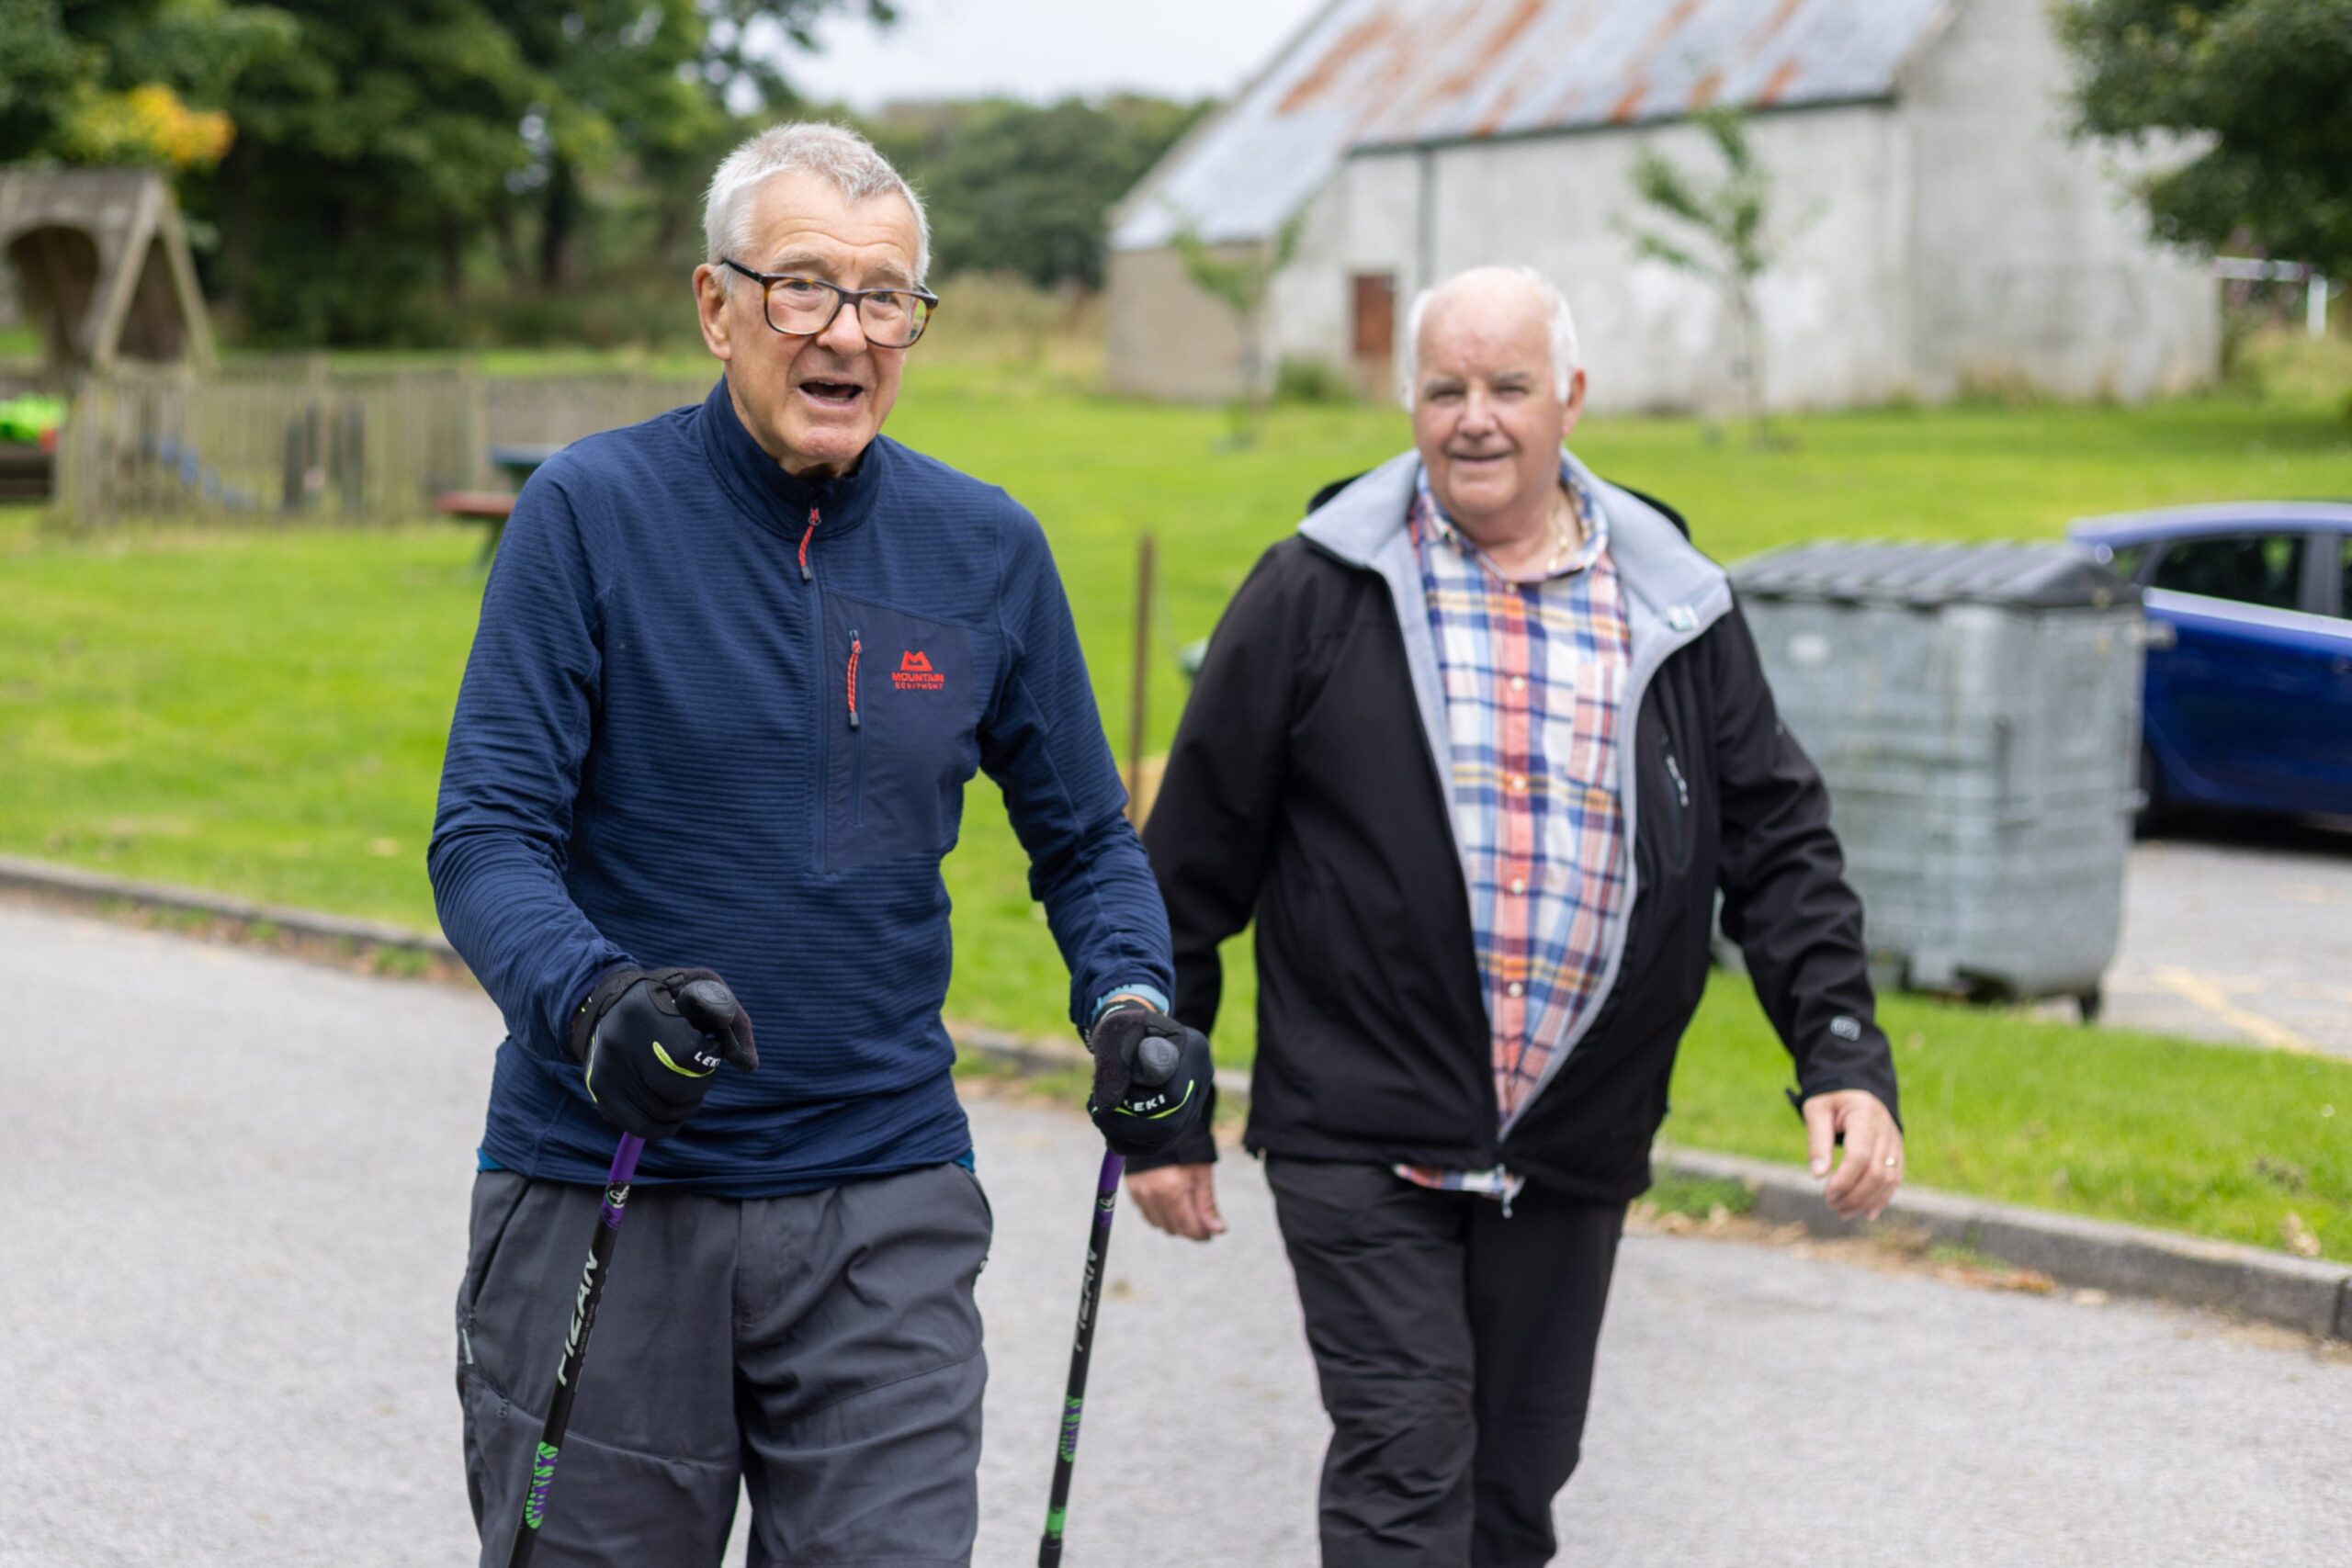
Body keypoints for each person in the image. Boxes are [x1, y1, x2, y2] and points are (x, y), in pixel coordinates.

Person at [429, 121, 1210, 1567]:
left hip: (881, 1201)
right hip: (608, 1178)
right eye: (803, 287)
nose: (847, 330)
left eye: (884, 298)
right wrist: (596, 998)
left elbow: (1089, 841)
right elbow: (485, 836)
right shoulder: (589, 516)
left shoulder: (986, 549)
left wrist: (1133, 1004)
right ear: (715, 306)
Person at [1129, 265, 1904, 1568]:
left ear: (1572, 399)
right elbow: (1189, 864)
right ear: (1409, 403)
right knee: (1407, 1466)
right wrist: (1158, 1108)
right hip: (1360, 1127)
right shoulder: (1317, 591)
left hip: (1571, 1137)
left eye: (1507, 387)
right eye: (1444, 390)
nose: (1474, 419)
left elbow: (1776, 842)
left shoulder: (1673, 600)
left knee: (1511, 1497)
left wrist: (1839, 1049)